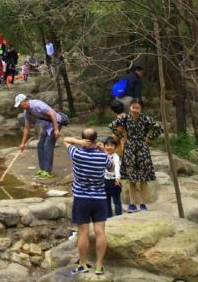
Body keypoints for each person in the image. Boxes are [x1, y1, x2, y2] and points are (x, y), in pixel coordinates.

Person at [64, 129, 110, 276]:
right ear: (96, 140)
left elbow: (65, 140)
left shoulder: (77, 154)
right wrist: (103, 150)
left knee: (83, 232)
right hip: (99, 199)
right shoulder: (102, 157)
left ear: (83, 139)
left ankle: (82, 264)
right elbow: (112, 167)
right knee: (100, 232)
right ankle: (98, 266)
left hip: (81, 198)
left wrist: (78, 142)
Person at [108, 98, 163, 213]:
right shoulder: (125, 118)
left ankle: (143, 204)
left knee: (143, 178)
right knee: (131, 179)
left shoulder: (145, 118)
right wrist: (121, 135)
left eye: (138, 108)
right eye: (133, 107)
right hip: (130, 148)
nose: (135, 110)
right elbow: (112, 125)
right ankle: (132, 204)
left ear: (141, 108)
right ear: (130, 107)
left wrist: (149, 137)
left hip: (142, 149)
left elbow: (159, 128)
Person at [16, 93, 61, 179]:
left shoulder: (37, 104)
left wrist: (56, 129)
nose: (19, 107)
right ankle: (42, 169)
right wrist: (22, 143)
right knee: (40, 146)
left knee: (47, 146)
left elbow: (52, 113)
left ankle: (48, 171)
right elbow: (26, 128)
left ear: (25, 101)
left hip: (56, 123)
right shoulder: (27, 112)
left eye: (20, 104)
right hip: (46, 127)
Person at [102, 137, 122, 217]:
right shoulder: (103, 155)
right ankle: (109, 217)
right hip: (105, 181)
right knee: (106, 201)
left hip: (114, 181)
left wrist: (117, 177)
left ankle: (119, 216)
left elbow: (117, 167)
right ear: (104, 146)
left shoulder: (116, 156)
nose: (109, 147)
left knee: (116, 201)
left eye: (111, 145)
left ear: (115, 147)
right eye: (107, 145)